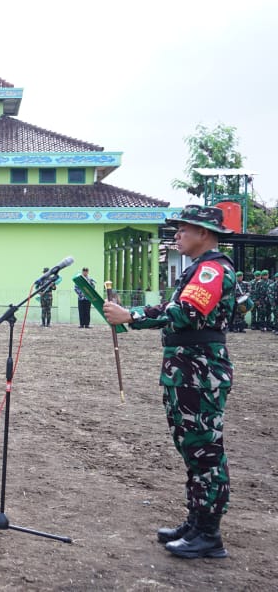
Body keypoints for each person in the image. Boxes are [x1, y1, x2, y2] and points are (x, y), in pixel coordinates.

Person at [103, 205, 236, 559]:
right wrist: (131, 316)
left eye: (183, 229)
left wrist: (131, 316)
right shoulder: (199, 269)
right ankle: (196, 521)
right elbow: (179, 307)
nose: (177, 235)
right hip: (188, 370)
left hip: (199, 372)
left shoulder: (211, 269)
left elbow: (185, 312)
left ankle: (208, 533)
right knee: (191, 447)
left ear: (204, 233)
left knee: (205, 450)